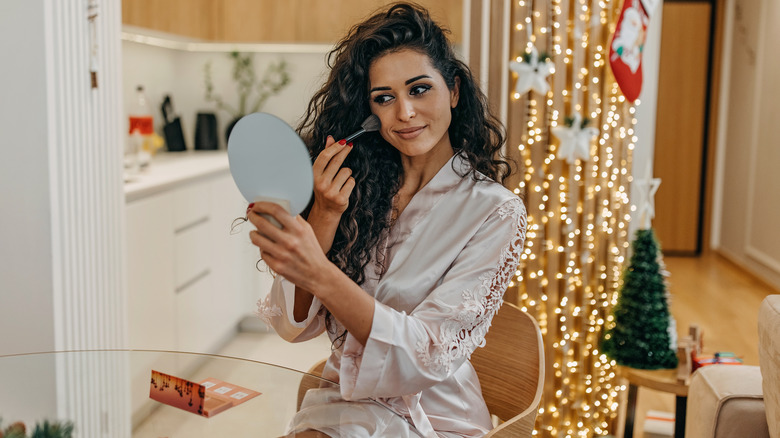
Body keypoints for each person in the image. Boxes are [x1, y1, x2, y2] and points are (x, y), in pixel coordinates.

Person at [247, 3, 527, 437]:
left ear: (453, 91)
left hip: (433, 418)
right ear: (369, 114)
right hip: (341, 406)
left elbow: (426, 357)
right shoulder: (357, 190)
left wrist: (321, 273)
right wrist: (323, 213)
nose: (405, 113)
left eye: (419, 90)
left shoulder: (495, 211)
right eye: (384, 98)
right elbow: (291, 326)